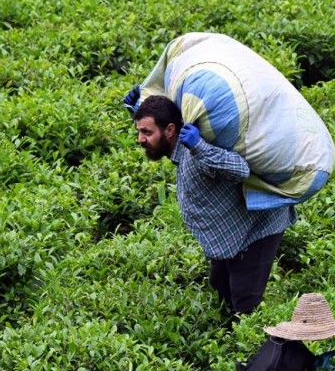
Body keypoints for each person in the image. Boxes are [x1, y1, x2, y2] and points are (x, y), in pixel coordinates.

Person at [124, 92, 297, 315]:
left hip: (257, 230)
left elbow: (240, 169)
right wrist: (134, 109)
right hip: (231, 235)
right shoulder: (176, 144)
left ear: (170, 130)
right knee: (220, 288)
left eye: (146, 132)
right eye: (139, 131)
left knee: (245, 305)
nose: (140, 138)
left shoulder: (196, 150)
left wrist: (199, 147)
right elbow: (156, 126)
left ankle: (260, 346)